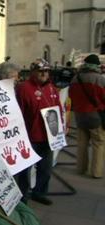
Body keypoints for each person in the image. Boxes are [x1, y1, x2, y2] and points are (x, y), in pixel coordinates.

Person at [16, 58, 63, 205]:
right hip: (30, 135)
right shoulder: (24, 88)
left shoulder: (52, 88)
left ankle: (39, 192)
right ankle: (22, 196)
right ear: (33, 72)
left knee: (46, 168)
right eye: (41, 70)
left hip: (49, 136)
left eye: (47, 71)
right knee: (25, 170)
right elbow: (19, 112)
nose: (44, 73)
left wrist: (61, 126)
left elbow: (58, 109)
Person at [69, 54, 105, 179]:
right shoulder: (100, 79)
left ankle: (81, 168)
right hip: (95, 116)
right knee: (98, 143)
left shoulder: (75, 78)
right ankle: (96, 172)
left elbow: (71, 96)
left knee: (82, 143)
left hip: (79, 115)